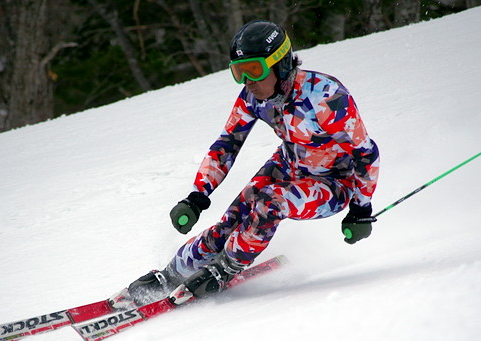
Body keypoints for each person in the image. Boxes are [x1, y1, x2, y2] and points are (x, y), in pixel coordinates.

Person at [128, 19, 380, 303]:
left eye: (254, 70)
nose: (247, 81)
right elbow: (227, 145)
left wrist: (361, 208)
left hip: (334, 182)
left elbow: (366, 153)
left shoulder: (326, 97)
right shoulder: (253, 97)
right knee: (230, 222)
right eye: (239, 72)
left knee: (270, 203)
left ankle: (226, 268)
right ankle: (172, 274)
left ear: (280, 64)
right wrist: (197, 196)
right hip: (288, 165)